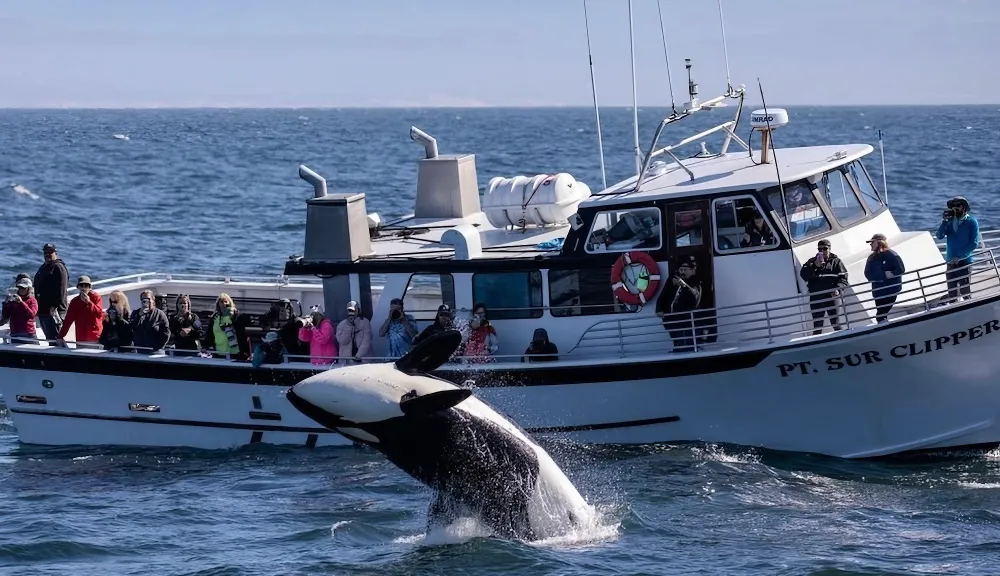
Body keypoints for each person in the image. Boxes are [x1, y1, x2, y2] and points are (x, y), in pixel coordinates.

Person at [936, 195, 981, 302]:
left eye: (958, 205)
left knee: (965, 292)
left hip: (965, 261)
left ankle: (970, 311)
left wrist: (959, 256)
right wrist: (944, 222)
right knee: (952, 293)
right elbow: (939, 236)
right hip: (950, 261)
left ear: (964, 207)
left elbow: (974, 243)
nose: (955, 208)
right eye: (953, 206)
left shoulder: (971, 222)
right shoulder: (950, 222)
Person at [799, 239, 849, 335]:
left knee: (836, 324)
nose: (822, 251)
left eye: (825, 249)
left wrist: (838, 289)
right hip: (817, 297)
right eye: (820, 249)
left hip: (832, 297)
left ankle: (844, 341)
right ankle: (816, 346)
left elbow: (843, 278)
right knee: (817, 325)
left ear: (829, 249)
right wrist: (815, 266)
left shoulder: (836, 261)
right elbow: (803, 274)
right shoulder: (811, 262)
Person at [656, 256, 703, 352]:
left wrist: (684, 286)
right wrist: (658, 309)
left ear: (692, 271)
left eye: (685, 269)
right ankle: (678, 348)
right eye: (681, 269)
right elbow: (663, 295)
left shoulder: (696, 282)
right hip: (671, 318)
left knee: (687, 338)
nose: (682, 272)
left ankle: (690, 350)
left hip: (686, 319)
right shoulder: (672, 280)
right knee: (677, 337)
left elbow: (694, 298)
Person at [863, 233, 906, 323]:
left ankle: (885, 327)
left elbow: (900, 269)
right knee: (881, 314)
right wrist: (883, 275)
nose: (870, 245)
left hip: (890, 291)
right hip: (878, 292)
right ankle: (884, 325)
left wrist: (892, 274)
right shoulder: (871, 258)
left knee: (881, 314)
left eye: (872, 242)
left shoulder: (891, 254)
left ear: (879, 242)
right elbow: (867, 274)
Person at [33, 243, 69, 343]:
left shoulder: (59, 268)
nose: (47, 255)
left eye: (50, 252)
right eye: (45, 253)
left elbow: (62, 289)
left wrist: (55, 306)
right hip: (43, 310)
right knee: (49, 338)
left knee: (56, 338)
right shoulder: (44, 267)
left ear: (55, 253)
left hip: (54, 311)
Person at [202, 293, 251, 360]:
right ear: (218, 304)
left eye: (226, 302)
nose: (224, 304)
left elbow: (242, 331)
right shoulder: (214, 318)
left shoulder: (236, 316)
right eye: (221, 302)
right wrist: (205, 347)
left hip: (235, 354)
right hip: (219, 353)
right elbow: (209, 334)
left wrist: (233, 316)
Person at [58, 275, 104, 345]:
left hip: (94, 336)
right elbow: (68, 320)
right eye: (81, 285)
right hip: (81, 337)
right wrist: (61, 336)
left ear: (90, 287)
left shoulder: (96, 298)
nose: (84, 288)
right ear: (78, 287)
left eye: (86, 286)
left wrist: (89, 303)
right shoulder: (75, 302)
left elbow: (99, 314)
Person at [130, 289, 171, 353]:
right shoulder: (135, 313)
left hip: (155, 350)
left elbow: (166, 332)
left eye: (148, 299)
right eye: (143, 299)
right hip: (138, 349)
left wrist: (159, 347)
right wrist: (138, 316)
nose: (146, 301)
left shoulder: (159, 314)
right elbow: (131, 328)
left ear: (153, 300)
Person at [1, 276, 39, 343]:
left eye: (24, 288)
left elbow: (32, 315)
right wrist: (6, 303)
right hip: (15, 333)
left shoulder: (32, 301)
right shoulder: (14, 300)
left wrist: (22, 303)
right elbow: (6, 315)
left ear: (29, 289)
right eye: (20, 288)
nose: (21, 290)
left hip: (28, 333)